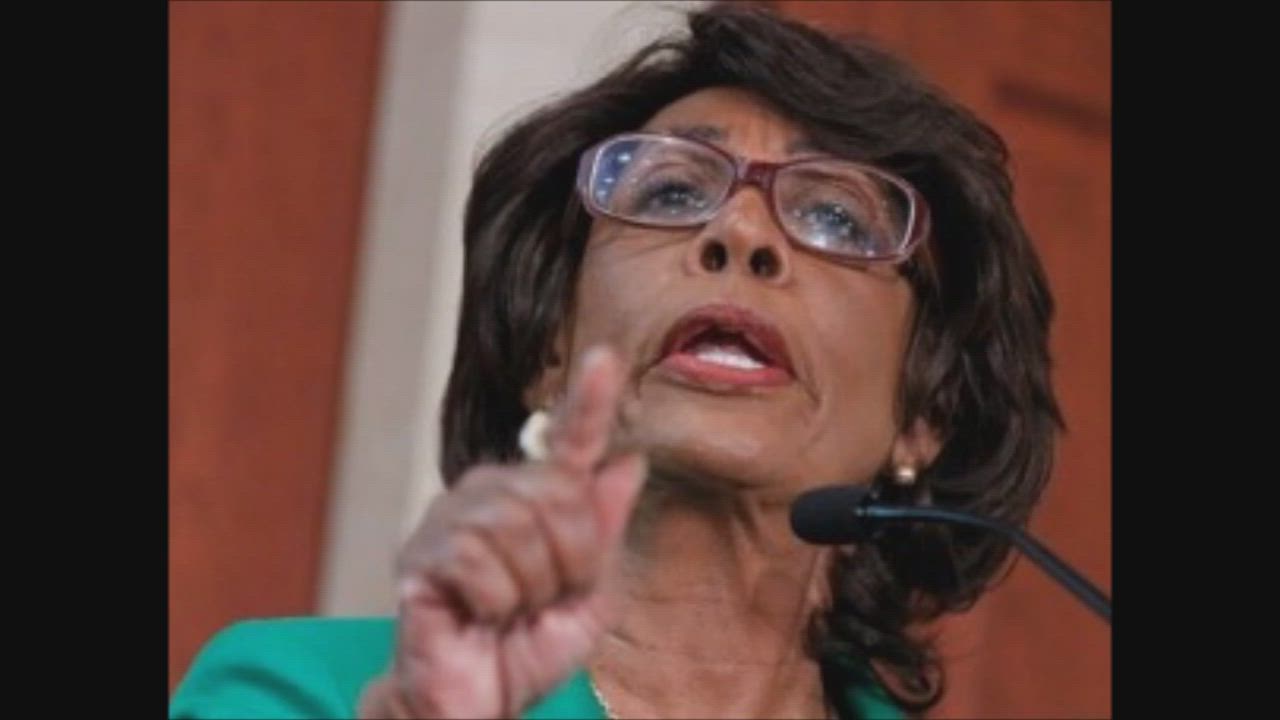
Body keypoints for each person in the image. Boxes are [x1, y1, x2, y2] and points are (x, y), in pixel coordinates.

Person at [170, 5, 1061, 719]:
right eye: (670, 191)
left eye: (834, 216)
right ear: (550, 349)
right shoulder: (304, 695)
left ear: (925, 414)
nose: (739, 231)